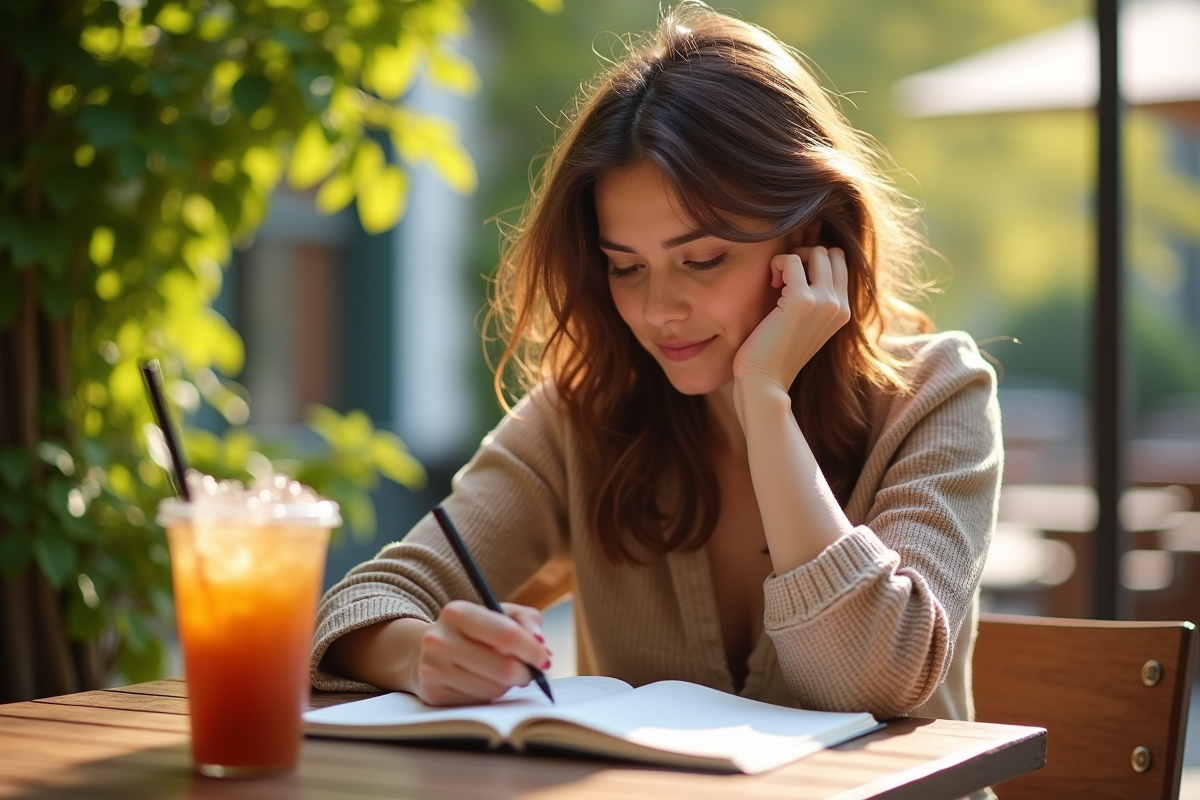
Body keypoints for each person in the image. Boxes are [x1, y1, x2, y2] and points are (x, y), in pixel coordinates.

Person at [312, 3, 1001, 725]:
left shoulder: (937, 396)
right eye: (626, 267)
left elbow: (871, 678)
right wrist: (421, 653)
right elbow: (363, 603)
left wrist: (765, 398)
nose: (657, 310)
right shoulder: (587, 416)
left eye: (701, 260)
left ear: (807, 234)